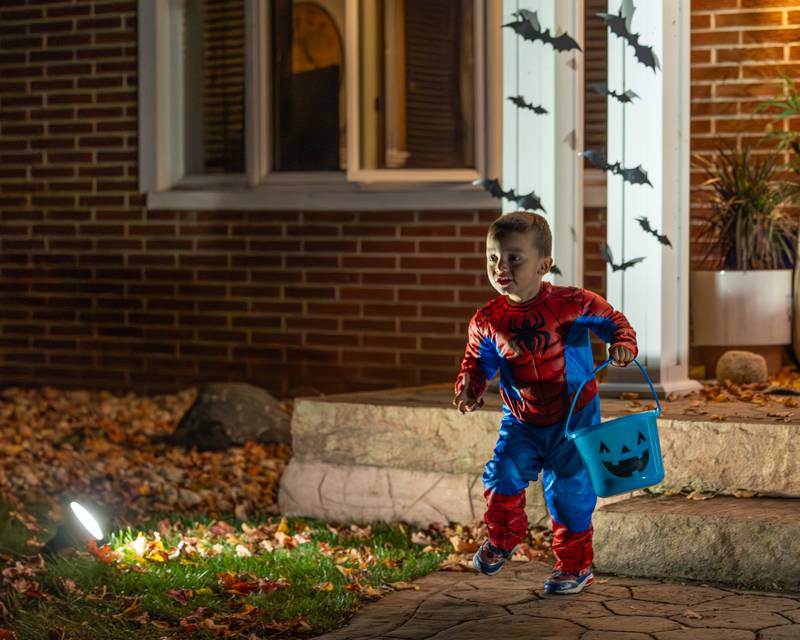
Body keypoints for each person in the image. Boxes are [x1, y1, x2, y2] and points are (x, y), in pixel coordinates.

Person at [453, 211, 637, 595]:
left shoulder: (572, 303)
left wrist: (622, 344)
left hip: (573, 421)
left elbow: (614, 321)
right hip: (522, 421)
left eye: (513, 258)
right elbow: (477, 361)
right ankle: (503, 539)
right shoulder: (488, 320)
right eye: (492, 258)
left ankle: (575, 567)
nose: (500, 268)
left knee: (570, 495)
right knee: (502, 474)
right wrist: (470, 387)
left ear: (544, 265)